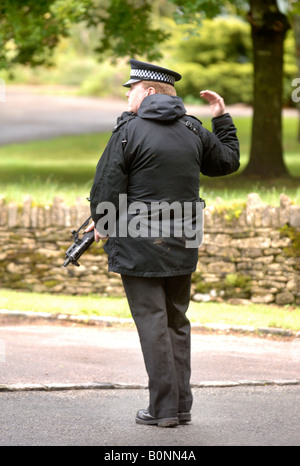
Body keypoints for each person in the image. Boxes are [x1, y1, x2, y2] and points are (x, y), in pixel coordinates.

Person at [86, 59, 240, 427]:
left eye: (132, 89)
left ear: (150, 92)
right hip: (184, 239)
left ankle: (163, 409)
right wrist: (221, 117)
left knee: (152, 322)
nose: (127, 95)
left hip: (138, 241)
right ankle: (180, 406)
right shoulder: (194, 129)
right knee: (176, 322)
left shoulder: (128, 131)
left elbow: (107, 185)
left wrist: (102, 225)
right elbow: (227, 162)